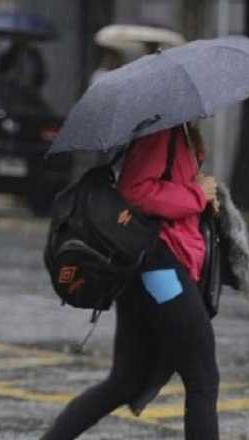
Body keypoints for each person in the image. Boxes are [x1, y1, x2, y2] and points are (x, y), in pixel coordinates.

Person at [42, 122, 220, 440]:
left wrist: (201, 194)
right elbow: (136, 191)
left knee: (125, 381)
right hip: (160, 269)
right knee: (202, 378)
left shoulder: (178, 131)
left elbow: (167, 188)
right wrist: (196, 194)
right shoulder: (161, 132)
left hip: (152, 269)